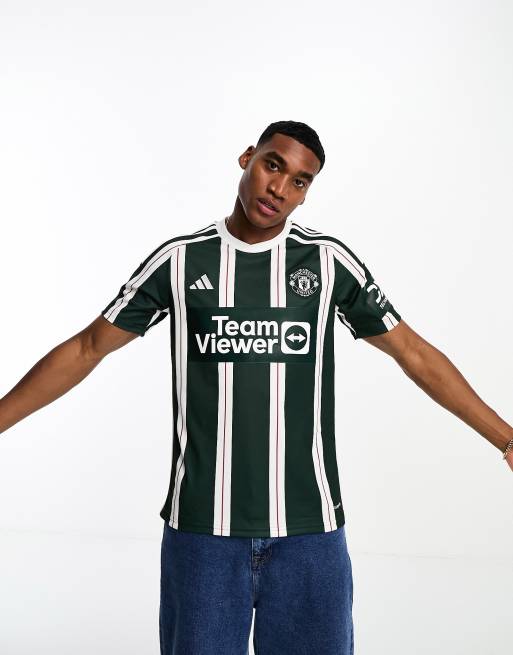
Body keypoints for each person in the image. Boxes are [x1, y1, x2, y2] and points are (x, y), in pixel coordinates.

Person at [1, 120, 512, 655]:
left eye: (300, 181)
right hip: (203, 534)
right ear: (248, 158)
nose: (280, 188)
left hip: (310, 535)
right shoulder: (181, 261)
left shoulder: (326, 262)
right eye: (273, 165)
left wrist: (507, 439)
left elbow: (414, 353)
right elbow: (87, 348)